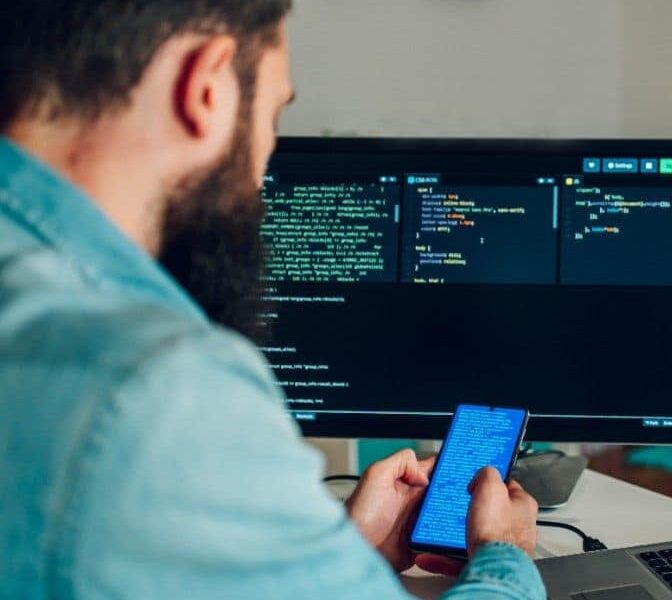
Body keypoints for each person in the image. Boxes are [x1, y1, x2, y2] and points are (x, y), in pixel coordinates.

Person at [0, 2, 544, 598]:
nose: (265, 167)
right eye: (274, 115)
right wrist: (503, 553)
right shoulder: (158, 382)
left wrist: (342, 555)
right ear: (206, 86)